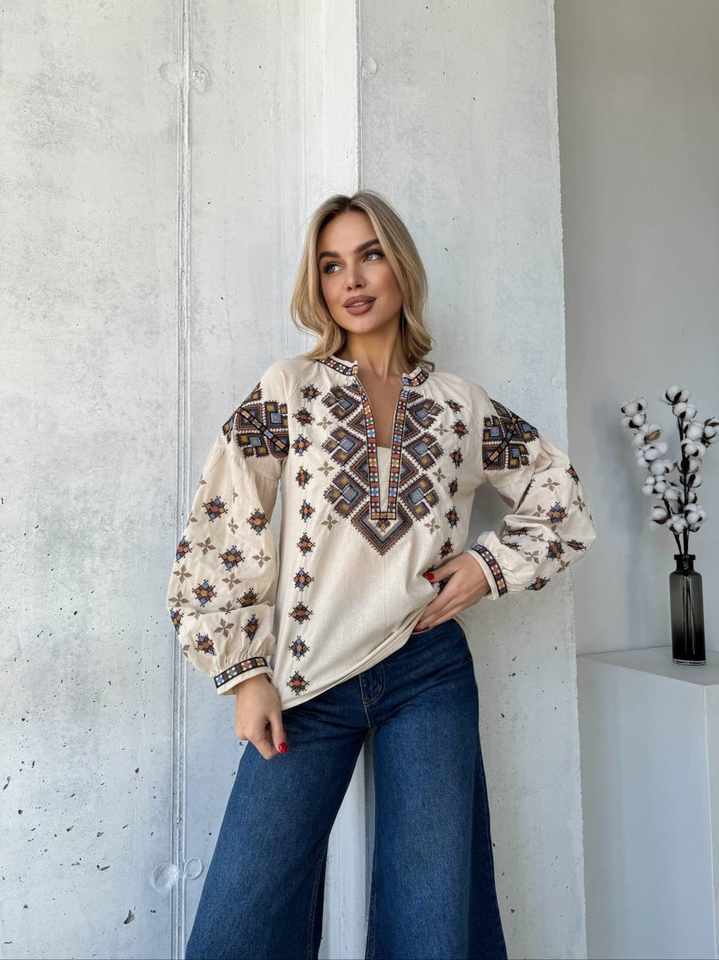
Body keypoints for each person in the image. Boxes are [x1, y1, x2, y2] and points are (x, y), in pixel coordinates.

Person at [166, 190, 597, 959]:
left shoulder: (460, 407)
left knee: (431, 923)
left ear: (400, 267)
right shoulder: (289, 390)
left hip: (427, 675)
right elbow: (221, 521)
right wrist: (244, 674)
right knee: (239, 921)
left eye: (368, 256)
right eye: (331, 265)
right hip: (303, 680)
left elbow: (556, 492)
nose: (352, 280)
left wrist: (487, 565)